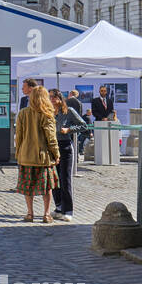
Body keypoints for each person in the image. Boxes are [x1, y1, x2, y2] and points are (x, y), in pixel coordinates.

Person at [14, 84, 59, 222]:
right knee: (47, 187)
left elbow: (19, 136)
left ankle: (30, 213)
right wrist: (56, 153)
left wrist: (18, 153)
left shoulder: (23, 113)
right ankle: (46, 214)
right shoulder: (47, 114)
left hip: (26, 155)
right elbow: (51, 137)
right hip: (42, 157)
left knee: (28, 187)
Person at [51, 89, 85, 222]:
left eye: (54, 97)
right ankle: (59, 207)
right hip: (53, 148)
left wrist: (69, 129)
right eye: (50, 97)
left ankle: (68, 209)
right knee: (54, 179)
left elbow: (83, 126)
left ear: (60, 98)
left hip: (65, 146)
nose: (52, 100)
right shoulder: (49, 112)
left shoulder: (69, 111)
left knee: (65, 179)